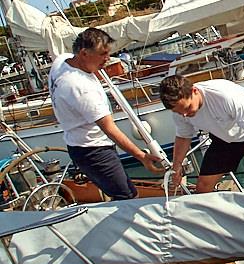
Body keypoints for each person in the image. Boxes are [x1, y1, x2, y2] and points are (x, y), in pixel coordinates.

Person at [49, 28, 163, 200]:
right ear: (84, 53)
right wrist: (142, 156)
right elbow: (110, 129)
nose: (107, 59)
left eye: (108, 53)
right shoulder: (80, 88)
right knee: (128, 196)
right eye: (103, 54)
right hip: (94, 151)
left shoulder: (62, 61)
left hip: (80, 145)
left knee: (120, 193)